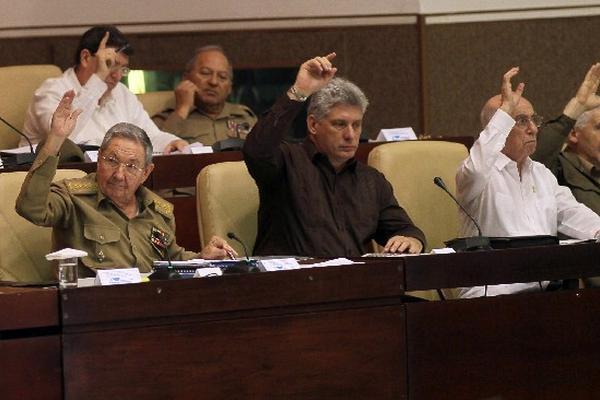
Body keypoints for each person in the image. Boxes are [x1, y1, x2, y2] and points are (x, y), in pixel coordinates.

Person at [16, 91, 236, 277]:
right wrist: (55, 140)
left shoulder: (159, 212)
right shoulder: (73, 199)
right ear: (99, 158)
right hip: (90, 311)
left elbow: (172, 260)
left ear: (146, 172)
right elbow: (30, 208)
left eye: (131, 166)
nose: (119, 174)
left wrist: (202, 257)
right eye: (111, 161)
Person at [243, 53, 426, 257]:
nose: (350, 135)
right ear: (313, 124)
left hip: (358, 284)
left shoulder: (370, 181)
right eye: (339, 124)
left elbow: (403, 229)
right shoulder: (286, 162)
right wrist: (299, 92)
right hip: (295, 283)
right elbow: (256, 149)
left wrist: (410, 239)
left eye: (356, 125)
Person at [455, 67, 600, 298]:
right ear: (497, 128)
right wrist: (505, 111)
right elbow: (478, 166)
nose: (533, 128)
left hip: (544, 293)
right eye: (521, 121)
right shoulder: (476, 174)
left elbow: (574, 214)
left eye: (533, 120)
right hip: (491, 295)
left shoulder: (542, 174)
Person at [22, 25, 187, 154]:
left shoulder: (121, 93)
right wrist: (98, 78)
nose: (116, 76)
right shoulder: (51, 91)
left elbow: (150, 136)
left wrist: (172, 142)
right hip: (58, 183)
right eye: (110, 65)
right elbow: (63, 140)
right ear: (86, 58)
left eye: (122, 69)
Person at [152, 45, 257, 146]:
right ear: (186, 78)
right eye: (205, 73)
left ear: (229, 87)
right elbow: (154, 153)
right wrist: (182, 109)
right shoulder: (165, 119)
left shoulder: (245, 117)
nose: (214, 82)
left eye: (222, 77)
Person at [532, 63, 600, 215]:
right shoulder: (558, 166)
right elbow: (537, 155)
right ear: (574, 134)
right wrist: (577, 107)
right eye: (599, 128)